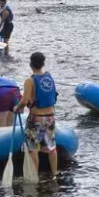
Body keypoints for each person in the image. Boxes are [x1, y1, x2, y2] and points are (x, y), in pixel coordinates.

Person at [15, 52, 60, 181]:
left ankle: (34, 177)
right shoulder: (49, 77)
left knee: (33, 149)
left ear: (31, 64)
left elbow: (24, 101)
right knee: (51, 148)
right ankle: (54, 174)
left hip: (36, 118)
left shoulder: (30, 81)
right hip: (50, 117)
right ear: (43, 63)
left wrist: (16, 108)